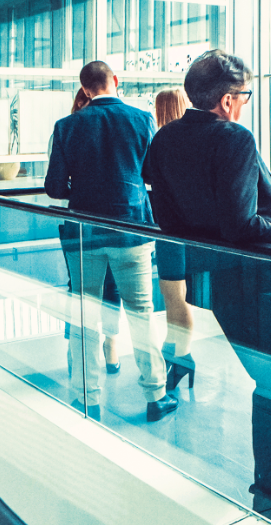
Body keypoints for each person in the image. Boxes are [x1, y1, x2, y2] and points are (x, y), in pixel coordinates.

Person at [143, 49, 271, 524]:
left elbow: (168, 219)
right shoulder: (234, 138)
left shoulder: (163, 141)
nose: (245, 105)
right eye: (244, 96)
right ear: (225, 101)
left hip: (215, 278)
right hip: (258, 280)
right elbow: (241, 224)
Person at [45, 62, 175, 422]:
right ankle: (155, 395)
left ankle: (87, 399)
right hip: (131, 231)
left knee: (84, 315)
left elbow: (55, 187)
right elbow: (151, 174)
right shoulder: (142, 119)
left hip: (83, 236)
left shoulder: (67, 126)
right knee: (142, 315)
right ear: (115, 82)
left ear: (85, 90)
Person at [54, 88, 123, 384]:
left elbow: (55, 186)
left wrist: (80, 193)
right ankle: (98, 349)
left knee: (87, 291)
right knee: (96, 290)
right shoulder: (132, 120)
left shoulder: (67, 127)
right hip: (115, 224)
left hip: (81, 223)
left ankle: (99, 349)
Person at [150, 88, 196, 390]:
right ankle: (176, 350)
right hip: (188, 232)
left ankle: (183, 356)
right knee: (174, 297)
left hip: (171, 232)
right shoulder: (188, 141)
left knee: (173, 297)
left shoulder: (162, 143)